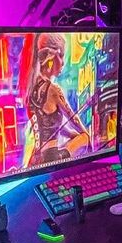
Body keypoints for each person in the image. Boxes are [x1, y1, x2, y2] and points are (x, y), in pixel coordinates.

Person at [25, 32, 90, 165]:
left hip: (35, 159)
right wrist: (86, 137)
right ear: (51, 56)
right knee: (85, 137)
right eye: (61, 56)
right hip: (52, 157)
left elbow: (48, 126)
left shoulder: (30, 89)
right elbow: (74, 119)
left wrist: (70, 134)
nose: (63, 62)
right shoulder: (53, 89)